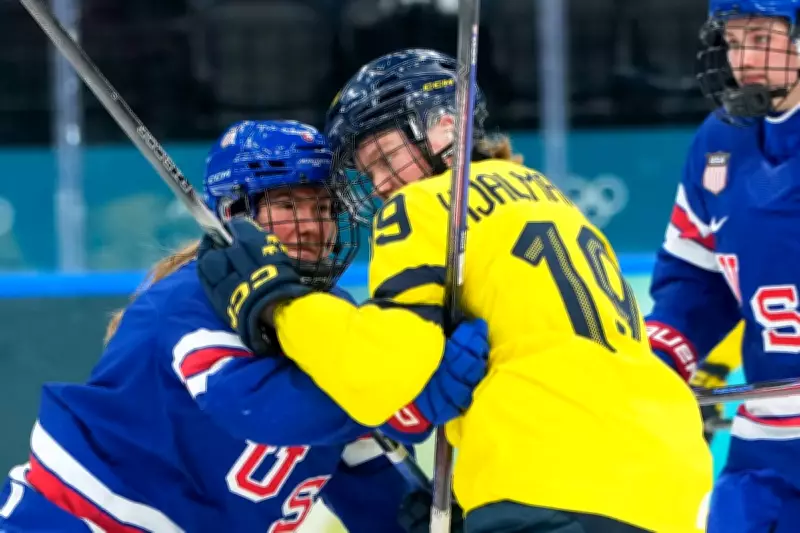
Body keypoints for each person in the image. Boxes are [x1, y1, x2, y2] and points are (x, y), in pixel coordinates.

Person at [196, 51, 714, 533]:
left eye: (382, 157)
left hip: (548, 479)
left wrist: (279, 301)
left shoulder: (424, 203)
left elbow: (390, 368)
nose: (378, 185)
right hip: (670, 476)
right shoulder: (548, 194)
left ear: (444, 125)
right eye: (367, 170)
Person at [0, 119, 489, 533]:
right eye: (286, 205)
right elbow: (258, 409)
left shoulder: (331, 316)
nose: (311, 226)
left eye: (322, 208)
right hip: (70, 518)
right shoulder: (187, 297)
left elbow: (364, 473)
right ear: (234, 212)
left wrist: (418, 517)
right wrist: (401, 394)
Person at [645, 1, 800, 530]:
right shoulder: (720, 140)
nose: (743, 59)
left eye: (760, 38)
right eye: (734, 43)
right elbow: (697, 273)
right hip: (767, 441)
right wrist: (664, 354)